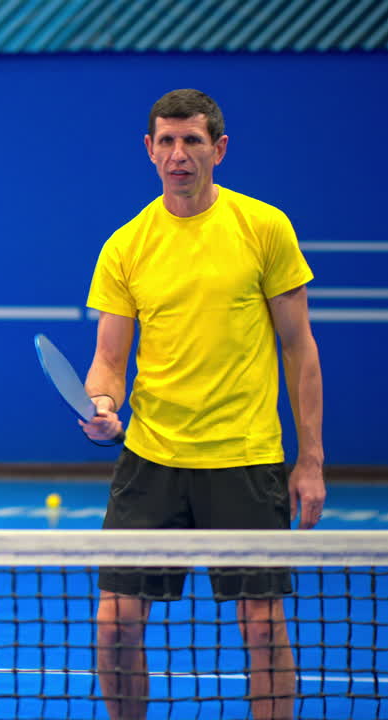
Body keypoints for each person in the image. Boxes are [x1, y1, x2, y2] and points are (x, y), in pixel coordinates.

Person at [80, 88, 326, 720]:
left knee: (264, 628)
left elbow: (299, 347)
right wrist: (103, 403)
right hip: (151, 459)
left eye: (191, 140)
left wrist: (311, 462)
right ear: (149, 150)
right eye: (166, 140)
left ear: (218, 149)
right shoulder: (126, 244)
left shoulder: (264, 228)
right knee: (113, 627)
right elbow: (109, 359)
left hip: (244, 457)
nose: (178, 153)